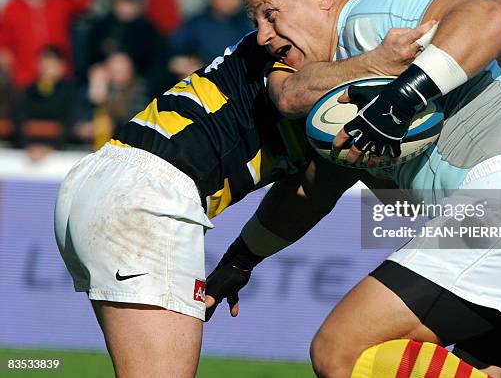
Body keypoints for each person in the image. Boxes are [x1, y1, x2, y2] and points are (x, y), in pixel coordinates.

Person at [205, 0, 501, 378]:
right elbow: (313, 189)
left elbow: (492, 19)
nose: (263, 37)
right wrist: (241, 259)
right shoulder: (346, 90)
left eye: (269, 14)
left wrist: (399, 100)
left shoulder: (371, 15)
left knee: (343, 350)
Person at [54, 25, 428, 377]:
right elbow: (289, 95)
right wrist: (380, 61)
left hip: (104, 182)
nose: (266, 30)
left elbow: (313, 192)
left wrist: (240, 262)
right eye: (262, 17)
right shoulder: (293, 53)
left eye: (270, 14)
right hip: (148, 194)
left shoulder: (332, 116)